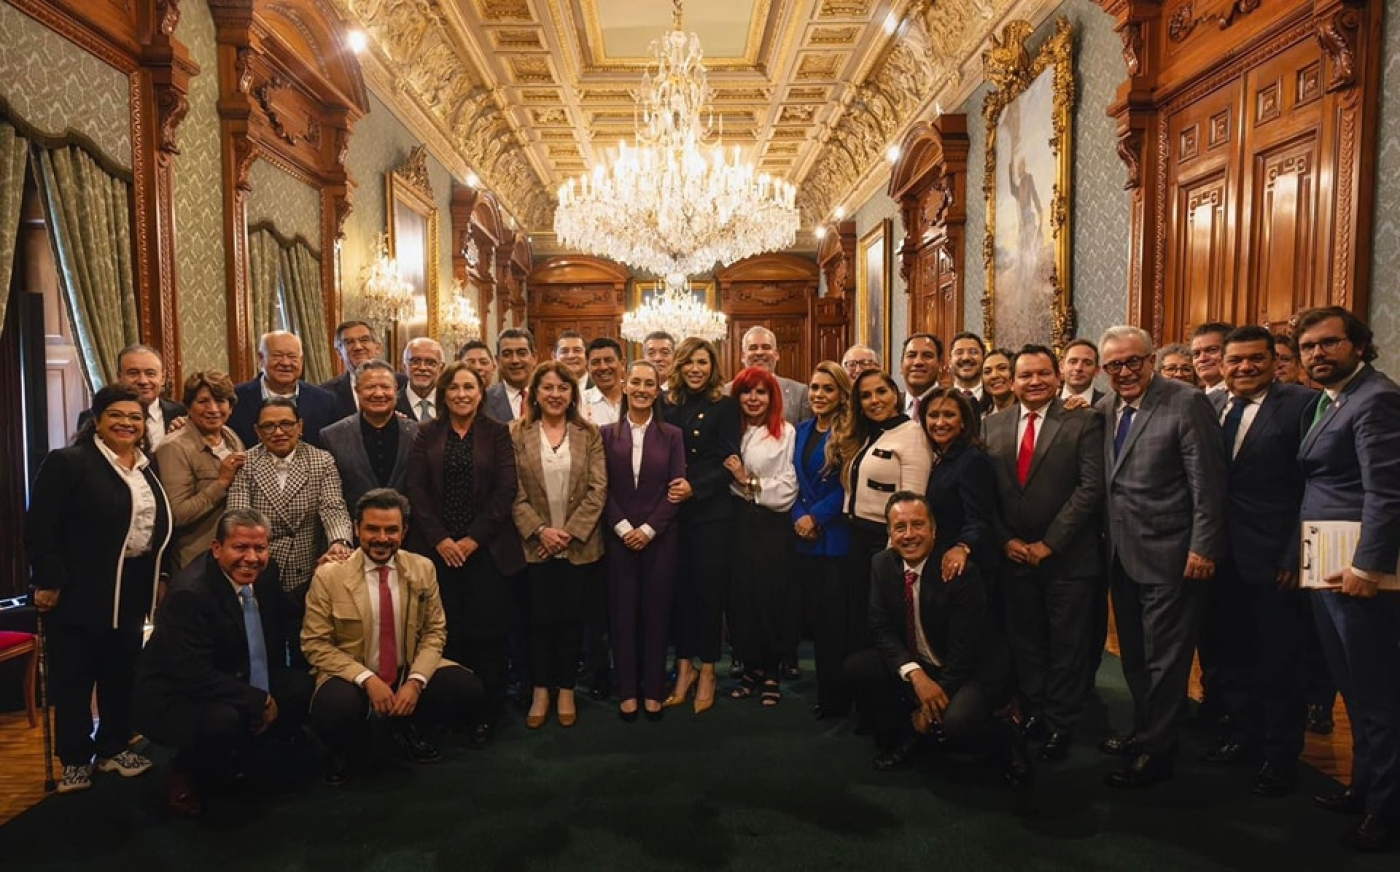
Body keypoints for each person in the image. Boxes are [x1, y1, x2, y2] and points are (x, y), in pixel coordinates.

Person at [1095, 325, 1226, 789]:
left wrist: (1203, 548)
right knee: (1134, 655)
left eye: (1134, 361)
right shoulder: (1105, 407)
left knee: (1165, 660)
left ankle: (1159, 752)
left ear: (1151, 360)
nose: (1125, 372)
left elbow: (1208, 484)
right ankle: (1146, 730)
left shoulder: (1185, 401)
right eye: (1115, 365)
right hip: (1120, 556)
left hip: (1172, 554)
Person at [26, 384, 173, 794]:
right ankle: (74, 758)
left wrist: (160, 576)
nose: (127, 423)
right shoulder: (70, 463)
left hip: (132, 585)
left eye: (135, 417)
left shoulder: (146, 466)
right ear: (98, 420)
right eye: (117, 416)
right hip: (78, 588)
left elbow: (154, 525)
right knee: (75, 675)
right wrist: (49, 580)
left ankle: (113, 746)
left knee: (121, 670)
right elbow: (40, 527)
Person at [1294, 307, 1400, 851]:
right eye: (1308, 346)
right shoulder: (1331, 400)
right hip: (1326, 565)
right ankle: (1363, 788)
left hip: (1356, 573)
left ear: (1359, 345)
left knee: (1378, 695)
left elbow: (1388, 491)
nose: (1317, 354)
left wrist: (1367, 566)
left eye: (1329, 343)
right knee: (1354, 693)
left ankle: (1385, 811)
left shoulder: (1377, 398)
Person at [1195, 325, 1315, 797]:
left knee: (1279, 661)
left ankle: (1280, 754)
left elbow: (1312, 486)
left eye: (1255, 359)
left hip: (1273, 560)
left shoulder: (1300, 407)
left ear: (1274, 360)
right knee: (1230, 655)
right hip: (1218, 555)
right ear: (1222, 365)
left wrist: (1293, 553)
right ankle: (1241, 736)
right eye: (1235, 360)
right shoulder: (1209, 405)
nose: (1245, 368)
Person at [843, 492, 1030, 786]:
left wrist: (933, 699)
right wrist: (916, 677)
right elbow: (881, 630)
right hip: (924, 663)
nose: (909, 535)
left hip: (973, 669)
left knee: (957, 722)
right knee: (858, 667)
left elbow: (965, 651)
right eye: (899, 527)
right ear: (889, 533)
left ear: (934, 530)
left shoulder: (958, 572)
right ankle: (911, 736)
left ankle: (1006, 737)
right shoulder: (881, 564)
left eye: (917, 525)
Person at [133, 509, 311, 817]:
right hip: (177, 694)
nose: (251, 557)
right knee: (225, 718)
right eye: (240, 547)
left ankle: (247, 758)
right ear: (217, 548)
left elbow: (290, 609)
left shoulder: (266, 574)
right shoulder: (190, 594)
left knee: (300, 686)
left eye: (260, 548)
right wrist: (261, 699)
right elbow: (192, 674)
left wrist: (322, 578)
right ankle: (184, 771)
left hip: (232, 673)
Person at [303, 489, 485, 784]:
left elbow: (434, 631)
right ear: (356, 528)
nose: (382, 538)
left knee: (466, 687)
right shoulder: (329, 576)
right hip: (352, 674)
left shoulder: (422, 568)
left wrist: (416, 682)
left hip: (405, 670)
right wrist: (367, 680)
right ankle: (347, 748)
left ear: (404, 532)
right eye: (372, 529)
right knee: (334, 708)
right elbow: (314, 644)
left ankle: (410, 725)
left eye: (391, 530)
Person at [985, 345, 1104, 762]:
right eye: (1025, 375)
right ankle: (1034, 710)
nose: (1033, 382)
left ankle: (1061, 723)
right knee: (1026, 641)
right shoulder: (992, 425)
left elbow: (1090, 489)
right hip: (1013, 556)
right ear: (1012, 381)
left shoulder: (1084, 421)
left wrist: (1049, 543)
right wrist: (1006, 541)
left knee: (1068, 646)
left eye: (1042, 374)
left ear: (1057, 377)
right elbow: (987, 496)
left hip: (1068, 558)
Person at [404, 362, 522, 748]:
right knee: (446, 633)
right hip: (437, 552)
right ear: (443, 394)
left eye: (469, 387)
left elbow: (506, 490)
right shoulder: (426, 433)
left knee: (488, 635)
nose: (461, 394)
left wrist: (473, 539)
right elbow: (416, 490)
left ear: (480, 392)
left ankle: (486, 714)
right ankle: (450, 709)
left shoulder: (497, 433)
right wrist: (440, 539)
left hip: (486, 550)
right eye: (453, 387)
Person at [510, 362, 607, 729]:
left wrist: (567, 532)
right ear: (535, 393)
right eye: (547, 387)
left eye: (562, 388)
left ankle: (566, 687)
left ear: (572, 394)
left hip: (579, 547)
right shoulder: (515, 433)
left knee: (571, 621)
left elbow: (599, 489)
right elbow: (511, 492)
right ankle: (540, 689)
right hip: (532, 546)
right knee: (536, 622)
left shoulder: (590, 433)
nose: (554, 394)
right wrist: (540, 531)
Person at [226, 397, 354, 665]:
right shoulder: (245, 462)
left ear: (300, 426)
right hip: (259, 570)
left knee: (306, 650)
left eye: (286, 424)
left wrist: (339, 542)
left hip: (307, 570)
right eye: (269, 426)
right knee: (264, 650)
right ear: (257, 431)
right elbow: (239, 518)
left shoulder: (321, 460)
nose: (279, 432)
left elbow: (333, 507)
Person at [602, 361, 686, 722]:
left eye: (648, 383)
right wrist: (623, 528)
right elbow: (599, 487)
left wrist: (649, 529)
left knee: (656, 614)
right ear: (624, 385)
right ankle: (626, 690)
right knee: (622, 616)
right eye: (634, 381)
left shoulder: (672, 435)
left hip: (660, 538)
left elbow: (677, 489)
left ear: (657, 390)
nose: (640, 388)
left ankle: (652, 689)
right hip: (617, 538)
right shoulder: (605, 433)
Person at [661, 337, 740, 713]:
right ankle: (683, 669)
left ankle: (707, 670)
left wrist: (697, 486)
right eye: (690, 362)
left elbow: (729, 458)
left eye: (703, 363)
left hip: (711, 513)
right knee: (680, 595)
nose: (696, 369)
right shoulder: (666, 404)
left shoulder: (724, 406)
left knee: (708, 595)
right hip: (672, 514)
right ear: (679, 365)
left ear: (713, 368)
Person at [725, 366, 798, 707]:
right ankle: (750, 668)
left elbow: (787, 489)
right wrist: (744, 485)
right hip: (736, 523)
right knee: (742, 598)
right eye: (746, 392)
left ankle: (772, 670)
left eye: (761, 392)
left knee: (771, 596)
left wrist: (745, 481)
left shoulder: (785, 432)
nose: (753, 399)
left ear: (772, 397)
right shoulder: (729, 431)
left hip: (771, 525)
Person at [793, 362, 855, 719]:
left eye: (827, 389)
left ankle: (839, 697)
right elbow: (794, 481)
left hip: (836, 538)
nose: (818, 395)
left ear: (842, 394)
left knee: (836, 624)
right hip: (804, 538)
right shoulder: (801, 430)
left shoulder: (851, 432)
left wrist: (816, 516)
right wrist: (798, 517)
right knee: (817, 621)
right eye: (814, 388)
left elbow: (847, 484)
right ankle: (825, 691)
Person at [156, 370, 247, 572]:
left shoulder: (230, 436)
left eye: (220, 401)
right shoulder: (174, 447)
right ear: (188, 406)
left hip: (234, 558)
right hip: (196, 563)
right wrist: (221, 483)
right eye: (203, 401)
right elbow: (176, 515)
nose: (213, 409)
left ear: (230, 407)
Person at [921, 388, 999, 584]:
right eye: (933, 415)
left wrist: (963, 546)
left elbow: (980, 519)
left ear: (963, 421)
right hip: (938, 559)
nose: (940, 422)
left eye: (949, 415)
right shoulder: (937, 457)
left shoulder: (973, 459)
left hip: (967, 567)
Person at [321, 361, 418, 513]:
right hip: (353, 531)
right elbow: (330, 497)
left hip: (409, 531)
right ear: (357, 391)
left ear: (396, 390)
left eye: (385, 387)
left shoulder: (417, 433)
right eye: (370, 387)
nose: (379, 394)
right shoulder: (332, 436)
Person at [228, 331, 339, 448]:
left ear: (301, 360)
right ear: (261, 358)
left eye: (292, 357)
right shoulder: (236, 398)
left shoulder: (325, 401)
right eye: (277, 356)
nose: (286, 363)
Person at [77, 344, 188, 450]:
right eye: (133, 373)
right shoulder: (93, 416)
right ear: (119, 377)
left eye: (150, 373)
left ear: (162, 378)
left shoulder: (181, 413)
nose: (143, 381)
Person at [322, 320, 406, 419]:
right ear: (339, 352)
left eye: (364, 340)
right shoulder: (325, 393)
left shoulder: (404, 384)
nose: (358, 347)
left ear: (377, 347)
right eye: (349, 342)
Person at [732, 326, 813, 425]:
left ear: (776, 355)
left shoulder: (799, 393)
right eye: (753, 348)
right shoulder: (726, 391)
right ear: (743, 357)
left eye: (766, 347)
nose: (759, 352)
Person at [484, 328, 538, 422]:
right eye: (507, 354)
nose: (515, 360)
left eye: (522, 353)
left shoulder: (549, 396)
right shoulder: (484, 400)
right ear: (497, 360)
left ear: (534, 357)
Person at [399, 337, 445, 421]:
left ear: (441, 369)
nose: (422, 368)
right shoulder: (391, 405)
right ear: (404, 366)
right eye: (415, 361)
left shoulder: (451, 404)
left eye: (431, 363)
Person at [900, 333, 944, 418]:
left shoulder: (957, 404)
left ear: (940, 366)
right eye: (911, 355)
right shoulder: (890, 406)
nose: (918, 362)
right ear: (901, 366)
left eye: (927, 356)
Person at [583, 337, 625, 426]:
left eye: (609, 360)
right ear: (587, 368)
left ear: (622, 363)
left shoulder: (636, 397)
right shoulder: (581, 402)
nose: (603, 367)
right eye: (595, 362)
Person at [948, 332, 993, 414]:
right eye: (959, 352)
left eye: (973, 352)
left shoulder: (995, 398)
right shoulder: (940, 399)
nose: (966, 358)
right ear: (949, 361)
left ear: (984, 358)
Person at [1059, 338, 1104, 409]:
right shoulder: (1047, 402)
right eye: (1073, 361)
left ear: (1097, 370)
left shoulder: (1107, 405)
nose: (1078, 368)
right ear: (1061, 367)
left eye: (1087, 363)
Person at [1190, 322, 1233, 394]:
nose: (1202, 359)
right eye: (1196, 353)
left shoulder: (1241, 398)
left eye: (1212, 350)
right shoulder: (1192, 398)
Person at [980, 349, 1017, 414]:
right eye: (987, 371)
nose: (994, 375)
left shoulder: (1029, 411)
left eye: (1002, 368)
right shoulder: (979, 416)